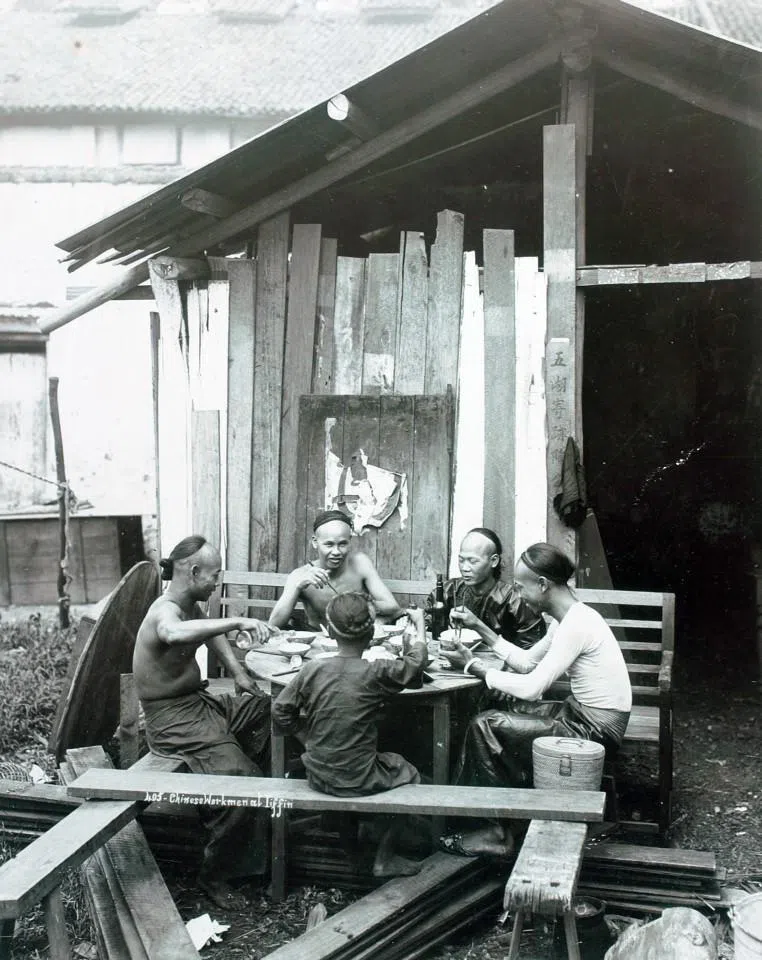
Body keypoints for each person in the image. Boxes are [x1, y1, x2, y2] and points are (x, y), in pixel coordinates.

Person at [439, 542, 632, 858]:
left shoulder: (576, 625)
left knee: (485, 724)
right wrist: (480, 628)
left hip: (594, 732)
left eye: (520, 587)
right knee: (498, 709)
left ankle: (497, 832)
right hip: (580, 715)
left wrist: (473, 666)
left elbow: (531, 687)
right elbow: (528, 662)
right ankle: (492, 814)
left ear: (543, 584)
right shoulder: (570, 616)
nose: (518, 594)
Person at [133, 534, 277, 909]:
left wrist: (239, 674)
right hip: (172, 720)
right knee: (244, 781)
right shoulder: (165, 611)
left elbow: (209, 632)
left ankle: (231, 814)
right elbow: (173, 633)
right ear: (194, 572)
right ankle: (217, 875)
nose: (216, 583)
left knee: (271, 712)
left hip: (200, 704)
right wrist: (239, 619)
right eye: (214, 576)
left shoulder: (189, 604)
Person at [272, 592, 428, 877]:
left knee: (351, 762)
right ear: (371, 633)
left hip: (317, 775)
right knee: (410, 773)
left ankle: (352, 852)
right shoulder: (376, 670)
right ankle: (384, 858)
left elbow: (280, 710)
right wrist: (419, 627)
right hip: (358, 777)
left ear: (330, 631)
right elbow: (415, 665)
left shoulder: (312, 668)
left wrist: (306, 739)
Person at [269, 509, 404, 630]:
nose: (336, 552)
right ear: (315, 542)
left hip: (355, 640)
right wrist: (297, 587)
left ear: (350, 540)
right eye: (329, 544)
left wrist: (356, 605)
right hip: (319, 640)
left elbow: (392, 606)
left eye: (342, 544)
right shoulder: (299, 575)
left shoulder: (360, 563)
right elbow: (274, 624)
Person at [426, 528, 546, 648]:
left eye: (472, 561)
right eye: (461, 560)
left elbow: (531, 652)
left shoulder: (516, 601)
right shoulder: (448, 591)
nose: (464, 568)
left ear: (493, 561)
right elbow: (427, 629)